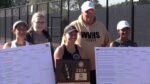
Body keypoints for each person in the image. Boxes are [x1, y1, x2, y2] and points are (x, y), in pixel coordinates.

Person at [63, 1, 110, 84]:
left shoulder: (101, 26)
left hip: (97, 69)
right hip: (79, 68)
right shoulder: (74, 25)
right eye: (86, 11)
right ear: (82, 12)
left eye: (91, 11)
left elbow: (108, 43)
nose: (89, 14)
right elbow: (64, 45)